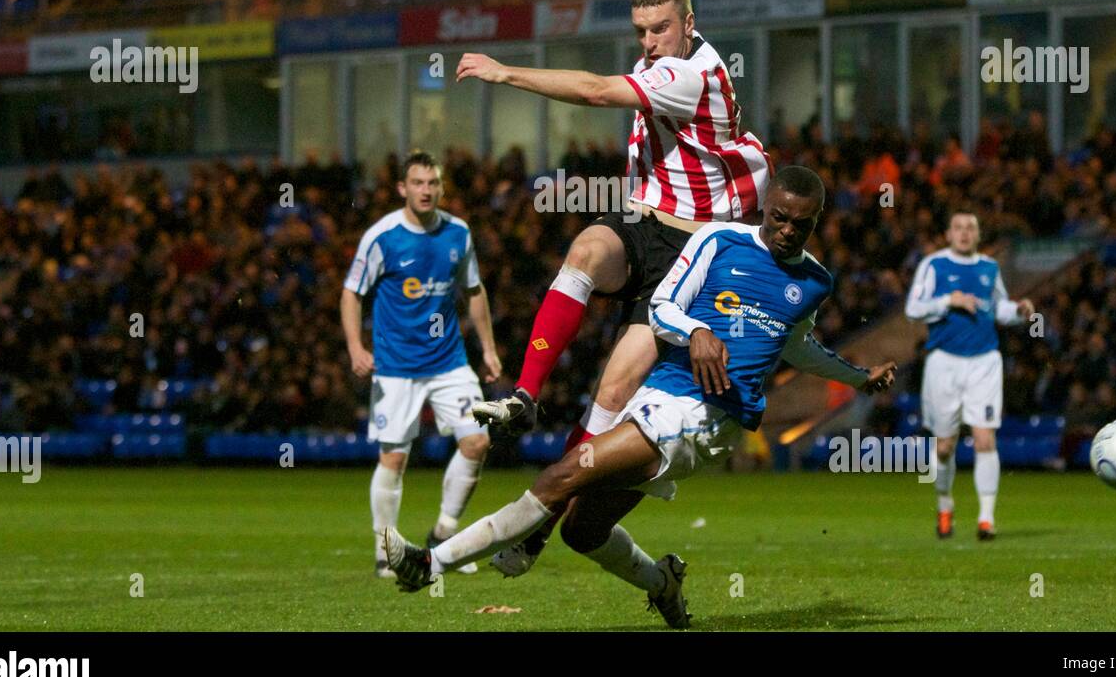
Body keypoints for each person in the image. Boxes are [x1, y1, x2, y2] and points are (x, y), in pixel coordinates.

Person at [383, 167, 896, 627]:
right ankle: (662, 583)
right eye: (780, 218)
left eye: (800, 225)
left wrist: (857, 377)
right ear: (766, 206)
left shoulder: (814, 282)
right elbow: (663, 306)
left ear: (816, 222)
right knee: (582, 530)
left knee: (565, 474)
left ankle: (431, 563)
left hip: (707, 418)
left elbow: (799, 346)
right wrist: (696, 331)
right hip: (657, 398)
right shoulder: (719, 239)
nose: (787, 231)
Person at [456, 0, 772, 577]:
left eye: (659, 30)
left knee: (611, 394)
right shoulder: (681, 39)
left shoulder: (687, 76)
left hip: (693, 254)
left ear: (686, 28)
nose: (649, 42)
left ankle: (540, 529)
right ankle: (525, 395)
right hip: (647, 221)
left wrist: (506, 72)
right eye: (640, 33)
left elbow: (598, 92)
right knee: (587, 248)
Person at [341, 150, 503, 577]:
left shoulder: (458, 233)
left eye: (433, 183)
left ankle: (443, 534)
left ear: (441, 187)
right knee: (394, 458)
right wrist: (356, 348)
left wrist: (487, 348)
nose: (426, 190)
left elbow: (473, 289)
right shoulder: (383, 237)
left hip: (449, 360)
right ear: (402, 189)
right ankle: (386, 550)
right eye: (418, 183)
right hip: (396, 366)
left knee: (478, 441)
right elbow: (352, 291)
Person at [905, 212, 1035, 540]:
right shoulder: (934, 265)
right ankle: (945, 504)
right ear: (948, 233)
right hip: (943, 363)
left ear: (978, 235)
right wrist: (950, 300)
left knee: (984, 438)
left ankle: (986, 519)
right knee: (945, 446)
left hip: (984, 362)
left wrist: (1019, 311)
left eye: (971, 228)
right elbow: (913, 308)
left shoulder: (989, 268)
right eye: (958, 227)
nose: (964, 233)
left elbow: (999, 308)